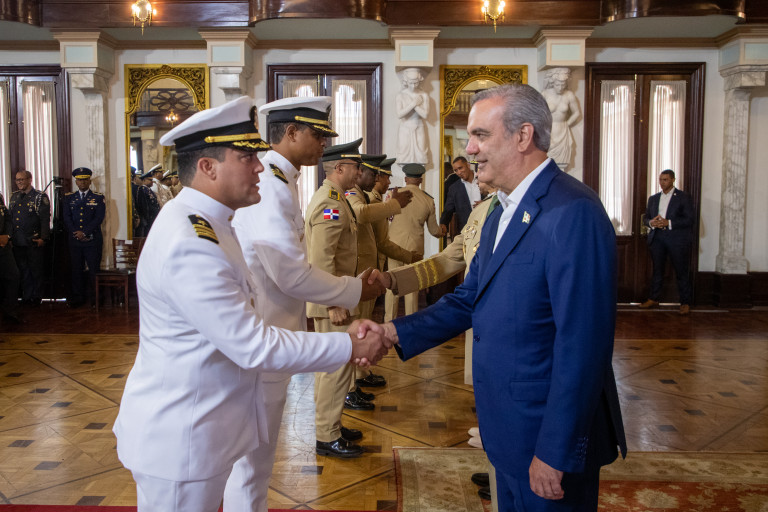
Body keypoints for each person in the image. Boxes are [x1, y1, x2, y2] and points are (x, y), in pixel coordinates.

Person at [113, 96, 390, 512]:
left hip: (208, 422)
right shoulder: (191, 241)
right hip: (183, 436)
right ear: (207, 167)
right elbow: (253, 344)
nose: (260, 166)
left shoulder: (212, 224)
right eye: (246, 158)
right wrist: (349, 345)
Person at [379, 84, 626, 512]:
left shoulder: (572, 212)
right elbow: (468, 299)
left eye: (480, 135)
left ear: (523, 136)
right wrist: (391, 332)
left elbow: (583, 346)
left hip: (544, 437)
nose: (469, 149)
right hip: (507, 429)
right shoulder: (500, 213)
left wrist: (554, 451)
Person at [229, 96, 386, 512]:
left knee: (257, 464)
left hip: (275, 333)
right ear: (290, 132)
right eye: (317, 135)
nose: (323, 144)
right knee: (251, 466)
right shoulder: (271, 186)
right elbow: (290, 273)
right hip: (263, 337)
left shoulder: (283, 181)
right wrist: (353, 291)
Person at [305, 138, 374, 458]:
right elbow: (322, 258)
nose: (359, 172)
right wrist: (332, 302)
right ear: (340, 168)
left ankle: (331, 425)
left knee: (337, 368)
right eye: (356, 167)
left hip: (339, 297)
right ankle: (327, 435)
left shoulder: (338, 199)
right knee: (334, 369)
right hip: (333, 301)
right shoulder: (329, 203)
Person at [345, 153, 416, 409]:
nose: (383, 181)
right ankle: (350, 387)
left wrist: (408, 257)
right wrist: (394, 204)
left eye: (381, 176)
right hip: (356, 275)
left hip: (368, 274)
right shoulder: (353, 197)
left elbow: (380, 242)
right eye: (379, 176)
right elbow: (361, 214)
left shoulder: (367, 198)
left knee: (361, 328)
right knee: (353, 331)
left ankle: (358, 378)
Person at [385, 163, 444, 321]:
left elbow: (384, 218)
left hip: (393, 245)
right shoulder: (428, 200)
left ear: (405, 179)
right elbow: (434, 230)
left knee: (391, 284)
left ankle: (388, 321)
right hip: (414, 248)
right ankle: (410, 324)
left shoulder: (393, 194)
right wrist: (442, 232)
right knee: (412, 287)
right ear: (420, 180)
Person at [640, 169, 695, 315]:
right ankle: (653, 298)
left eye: (665, 179)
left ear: (673, 180)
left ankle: (685, 302)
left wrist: (668, 222)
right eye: (660, 179)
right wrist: (651, 222)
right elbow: (646, 218)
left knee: (681, 271)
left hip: (676, 239)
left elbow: (689, 219)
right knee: (657, 270)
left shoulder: (683, 197)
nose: (662, 182)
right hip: (657, 238)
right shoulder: (653, 198)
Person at [62, 167, 105, 308]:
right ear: (76, 182)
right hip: (75, 240)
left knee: (94, 269)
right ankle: (78, 297)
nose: (82, 183)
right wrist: (76, 232)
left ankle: (95, 298)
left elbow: (99, 218)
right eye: (80, 180)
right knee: (76, 269)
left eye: (85, 180)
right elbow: (67, 217)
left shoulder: (98, 197)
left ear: (90, 181)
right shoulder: (69, 197)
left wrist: (84, 232)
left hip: (92, 240)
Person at [9, 170, 50, 305]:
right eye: (17, 180)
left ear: (29, 179)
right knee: (23, 270)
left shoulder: (39, 196)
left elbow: (45, 219)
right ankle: (27, 296)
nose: (19, 182)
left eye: (22, 179)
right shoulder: (14, 196)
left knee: (35, 270)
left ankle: (36, 297)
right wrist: (10, 238)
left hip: (33, 240)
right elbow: (11, 219)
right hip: (18, 240)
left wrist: (43, 238)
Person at [541, 67, 580, 169]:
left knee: (562, 163)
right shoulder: (545, 94)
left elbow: (576, 113)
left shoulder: (569, 95)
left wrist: (567, 124)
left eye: (563, 85)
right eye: (558, 85)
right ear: (552, 83)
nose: (560, 87)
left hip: (563, 130)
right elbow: (537, 112)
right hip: (549, 130)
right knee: (547, 160)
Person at [396, 68, 429, 164]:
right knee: (404, 156)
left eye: (416, 83)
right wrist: (414, 104)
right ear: (406, 81)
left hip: (419, 126)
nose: (413, 86)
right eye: (411, 83)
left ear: (419, 81)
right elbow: (399, 114)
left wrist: (415, 106)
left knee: (421, 156)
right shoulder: (401, 95)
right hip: (405, 127)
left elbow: (425, 115)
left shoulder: (424, 95)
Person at [440, 156, 480, 234]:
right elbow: (448, 210)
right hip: (467, 230)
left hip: (486, 225)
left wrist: (484, 204)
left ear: (468, 165)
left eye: (460, 168)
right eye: (456, 170)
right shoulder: (454, 188)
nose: (459, 172)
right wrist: (443, 224)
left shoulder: (484, 180)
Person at [0, 193, 21, 323]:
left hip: (3, 246)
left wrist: (7, 236)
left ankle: (10, 312)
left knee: (13, 276)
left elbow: (7, 218)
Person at [134, 169, 160, 236]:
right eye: (150, 180)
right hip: (148, 218)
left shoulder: (148, 190)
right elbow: (144, 205)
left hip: (152, 217)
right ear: (144, 180)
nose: (152, 182)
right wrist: (148, 217)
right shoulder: (142, 190)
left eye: (152, 180)